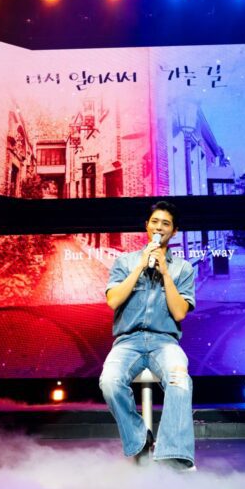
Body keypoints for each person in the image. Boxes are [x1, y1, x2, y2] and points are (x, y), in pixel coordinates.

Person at [99, 201, 197, 471]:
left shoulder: (183, 269)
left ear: (174, 231)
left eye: (166, 224)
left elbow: (179, 313)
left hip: (164, 342)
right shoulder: (125, 262)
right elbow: (113, 300)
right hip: (127, 342)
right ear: (147, 226)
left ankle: (172, 453)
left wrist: (165, 273)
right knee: (110, 382)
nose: (159, 228)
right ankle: (140, 439)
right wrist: (140, 267)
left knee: (180, 380)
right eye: (155, 222)